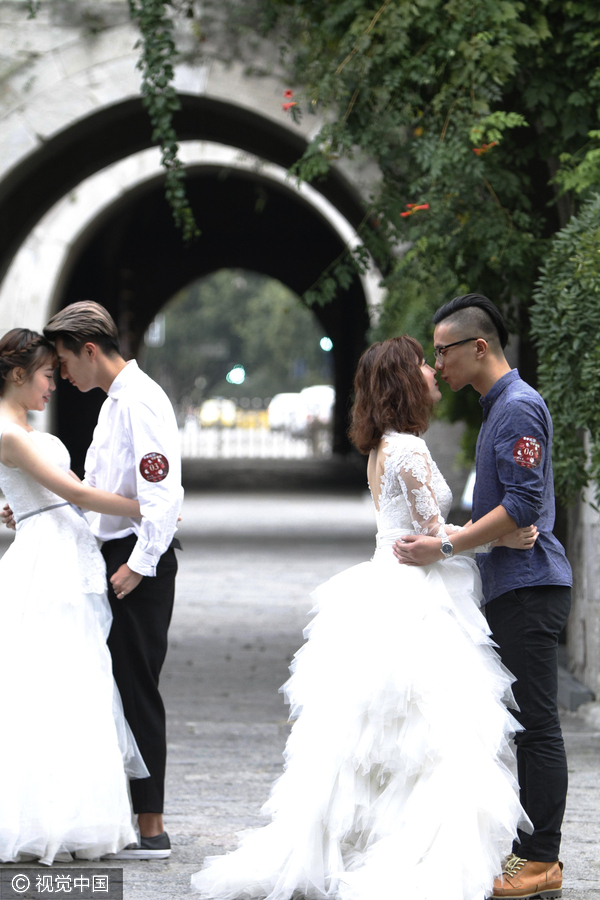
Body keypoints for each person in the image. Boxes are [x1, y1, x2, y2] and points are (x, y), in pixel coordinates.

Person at [191, 335, 536, 900]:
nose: (432, 370)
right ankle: (410, 852)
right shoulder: (409, 450)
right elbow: (434, 537)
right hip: (414, 594)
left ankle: (360, 843)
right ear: (404, 380)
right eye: (422, 364)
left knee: (374, 735)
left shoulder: (382, 448)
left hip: (382, 586)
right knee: (428, 733)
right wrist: (504, 535)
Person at [394, 295, 572, 900]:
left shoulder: (519, 408)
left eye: (442, 350)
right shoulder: (497, 409)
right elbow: (513, 510)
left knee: (537, 724)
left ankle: (541, 858)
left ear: (478, 347)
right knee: (523, 723)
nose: (436, 363)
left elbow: (522, 505)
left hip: (530, 587)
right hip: (511, 583)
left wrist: (447, 548)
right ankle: (529, 850)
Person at [0, 327, 149, 865]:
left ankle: (71, 814)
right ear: (18, 376)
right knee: (50, 682)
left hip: (61, 548)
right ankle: (40, 819)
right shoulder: (10, 433)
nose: (53, 385)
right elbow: (78, 492)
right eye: (45, 375)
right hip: (47, 562)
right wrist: (148, 509)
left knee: (76, 679)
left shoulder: (20, 429)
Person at [42, 301, 184, 860]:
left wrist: (138, 565)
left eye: (63, 362)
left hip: (136, 560)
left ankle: (152, 827)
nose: (61, 374)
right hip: (116, 553)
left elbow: (161, 495)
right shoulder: (113, 404)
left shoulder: (141, 401)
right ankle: (129, 818)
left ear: (90, 350)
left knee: (135, 688)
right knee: (112, 687)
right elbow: (100, 490)